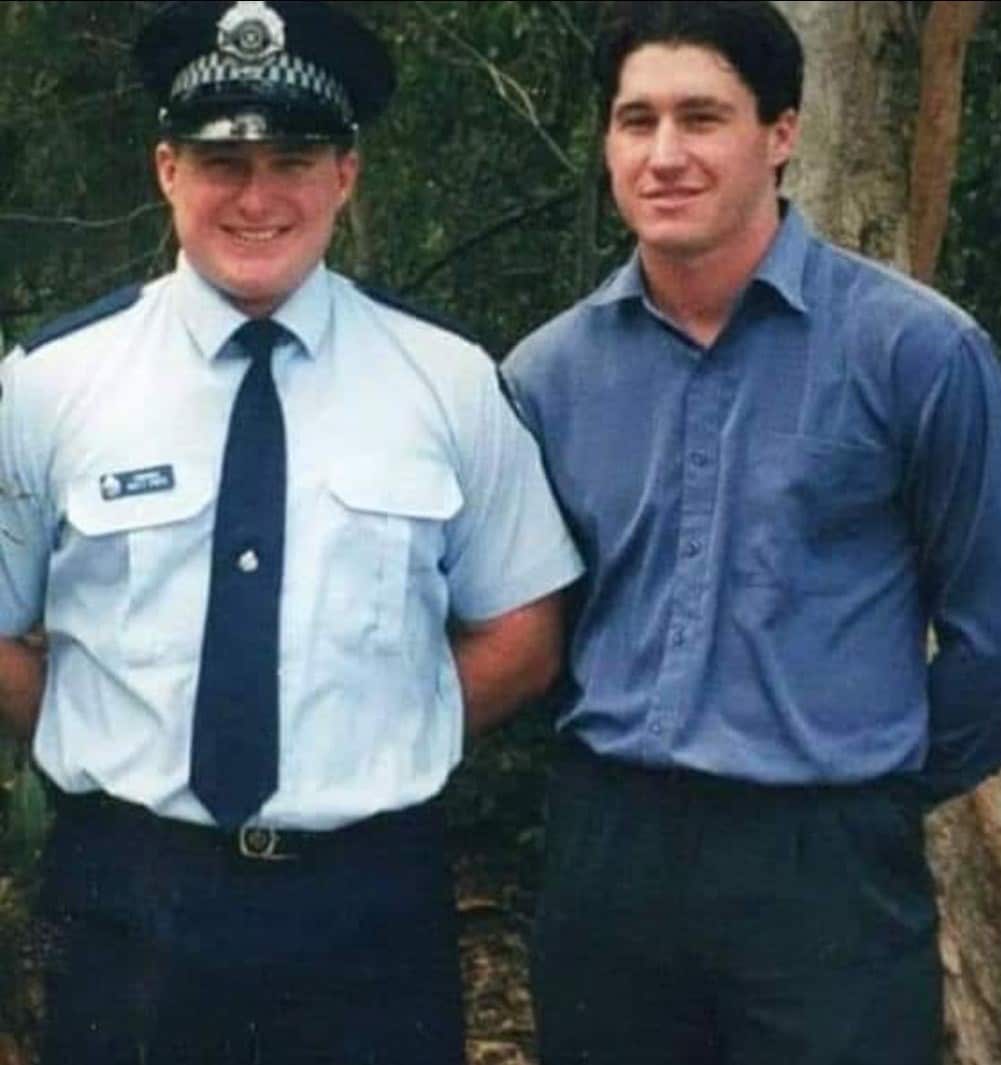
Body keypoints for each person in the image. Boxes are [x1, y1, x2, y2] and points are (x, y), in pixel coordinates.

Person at [0, 2, 582, 1063]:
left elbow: (523, 629)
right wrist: (98, 729)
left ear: (346, 175)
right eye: (224, 163)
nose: (258, 198)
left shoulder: (446, 382)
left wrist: (388, 733)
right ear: (166, 168)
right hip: (127, 907)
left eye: (294, 159)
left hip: (369, 911)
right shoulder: (50, 388)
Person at [503, 3, 1001, 1063]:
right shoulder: (545, 376)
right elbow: (528, 620)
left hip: (826, 869)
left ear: (781, 131)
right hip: (607, 859)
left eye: (701, 117)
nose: (663, 154)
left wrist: (870, 784)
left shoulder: (915, 352)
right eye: (635, 121)